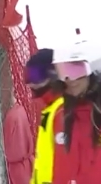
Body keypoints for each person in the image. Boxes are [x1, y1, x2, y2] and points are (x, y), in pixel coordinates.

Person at [50, 47, 101, 184]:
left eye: (76, 70)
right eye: (63, 73)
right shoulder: (61, 115)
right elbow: (60, 165)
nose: (70, 80)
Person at [26, 48, 63, 184]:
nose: (30, 83)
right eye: (28, 76)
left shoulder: (63, 111)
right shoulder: (50, 110)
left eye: (36, 76)